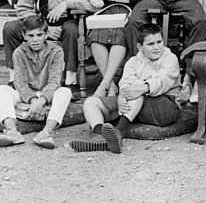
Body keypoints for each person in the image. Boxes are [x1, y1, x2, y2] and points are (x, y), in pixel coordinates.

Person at [73, 22, 181, 154]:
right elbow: (125, 83)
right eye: (150, 44)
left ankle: (119, 132)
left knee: (136, 92)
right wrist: (121, 96)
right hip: (134, 107)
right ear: (140, 46)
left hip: (163, 106)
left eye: (159, 42)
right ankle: (99, 136)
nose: (157, 47)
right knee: (91, 102)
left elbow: (164, 81)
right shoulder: (133, 62)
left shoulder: (170, 58)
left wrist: (143, 87)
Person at [0, 15, 73, 149]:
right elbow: (20, 83)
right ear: (24, 36)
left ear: (46, 34)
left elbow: (54, 81)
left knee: (65, 92)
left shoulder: (56, 51)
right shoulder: (19, 52)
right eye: (31, 36)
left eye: (39, 35)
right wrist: (32, 101)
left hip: (47, 92)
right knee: (1, 90)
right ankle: (12, 131)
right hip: (26, 95)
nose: (35, 40)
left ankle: (46, 132)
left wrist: (41, 100)